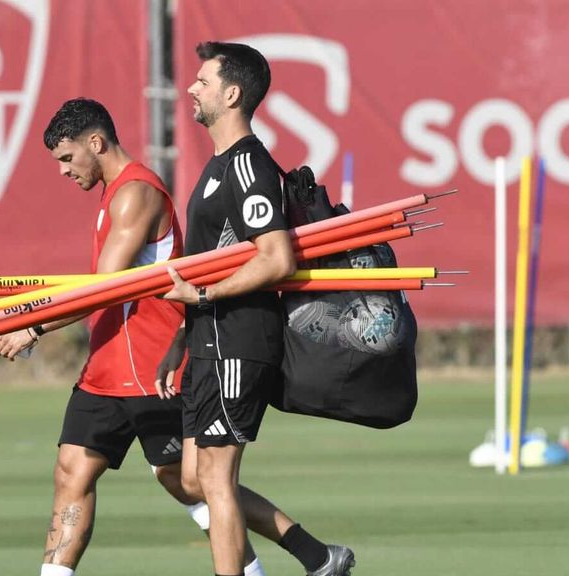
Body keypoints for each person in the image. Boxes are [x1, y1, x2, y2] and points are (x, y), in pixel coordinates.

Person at [0, 98, 276, 576]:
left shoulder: (134, 193)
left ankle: (299, 554)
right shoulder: (112, 192)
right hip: (105, 367)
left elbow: (102, 289)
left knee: (194, 482)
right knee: (72, 471)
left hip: (150, 369)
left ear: (96, 143)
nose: (63, 171)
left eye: (67, 158)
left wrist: (33, 325)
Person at [160, 42, 356, 576]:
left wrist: (203, 298)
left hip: (239, 340)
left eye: (203, 82)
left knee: (217, 478)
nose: (191, 90)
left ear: (232, 93)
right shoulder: (218, 166)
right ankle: (317, 556)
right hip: (207, 339)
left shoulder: (249, 164)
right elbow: (209, 261)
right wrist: (182, 335)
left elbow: (276, 258)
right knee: (196, 477)